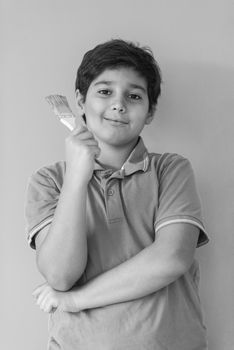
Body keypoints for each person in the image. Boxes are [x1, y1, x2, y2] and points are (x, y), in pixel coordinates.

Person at [25, 39, 209, 350]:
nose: (119, 104)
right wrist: (76, 178)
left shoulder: (171, 170)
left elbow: (172, 257)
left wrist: (75, 300)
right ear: (81, 101)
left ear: (150, 112)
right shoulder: (49, 181)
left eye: (134, 96)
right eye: (105, 91)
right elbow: (59, 276)